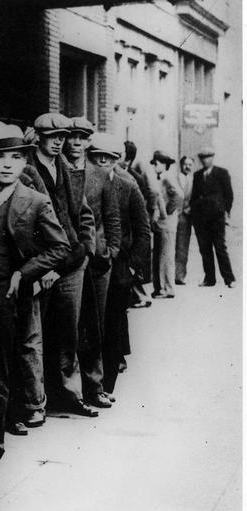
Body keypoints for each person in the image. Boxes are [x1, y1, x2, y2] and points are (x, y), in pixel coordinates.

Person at [0, 120, 69, 467]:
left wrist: (24, 271)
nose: (7, 164)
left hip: (5, 294)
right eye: (1, 156)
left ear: (24, 163)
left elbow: (59, 247)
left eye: (16, 158)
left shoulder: (33, 200)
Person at [23, 113, 99, 418]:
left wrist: (86, 250)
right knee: (35, 337)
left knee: (68, 332)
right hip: (43, 265)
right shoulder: (27, 170)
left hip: (71, 263)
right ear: (38, 137)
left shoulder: (66, 169)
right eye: (53, 137)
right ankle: (37, 402)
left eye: (62, 137)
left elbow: (83, 213)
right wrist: (44, 267)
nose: (59, 142)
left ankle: (70, 394)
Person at [88, 134, 150, 397]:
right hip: (94, 263)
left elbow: (143, 231)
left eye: (109, 157)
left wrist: (133, 269)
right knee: (92, 325)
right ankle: (90, 381)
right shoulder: (84, 182)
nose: (103, 161)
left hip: (120, 266)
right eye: (97, 156)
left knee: (113, 325)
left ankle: (107, 383)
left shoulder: (128, 185)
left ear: (117, 160)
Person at [66, 118, 120, 410]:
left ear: (88, 142)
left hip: (97, 262)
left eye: (81, 138)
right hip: (68, 259)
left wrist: (110, 250)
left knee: (94, 326)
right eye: (71, 137)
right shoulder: (59, 170)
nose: (75, 143)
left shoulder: (100, 175)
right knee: (68, 327)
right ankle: (66, 390)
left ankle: (94, 386)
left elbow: (112, 217)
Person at [190, 146, 235, 288]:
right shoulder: (197, 175)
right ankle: (209, 279)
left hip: (217, 218)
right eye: (203, 158)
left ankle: (229, 279)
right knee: (205, 248)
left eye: (208, 157)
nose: (205, 160)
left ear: (212, 158)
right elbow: (194, 197)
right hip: (202, 220)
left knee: (220, 247)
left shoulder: (221, 173)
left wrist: (225, 211)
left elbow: (229, 195)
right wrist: (195, 214)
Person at [121, 140, 154, 308]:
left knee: (133, 267)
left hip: (132, 229)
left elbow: (144, 203)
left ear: (128, 160)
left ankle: (141, 297)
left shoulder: (135, 178)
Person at [148, 150, 184, 298]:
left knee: (165, 255)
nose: (155, 166)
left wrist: (167, 212)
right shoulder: (161, 178)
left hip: (166, 223)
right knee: (159, 255)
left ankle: (166, 289)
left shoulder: (167, 178)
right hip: (161, 223)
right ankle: (160, 287)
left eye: (157, 163)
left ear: (164, 164)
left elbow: (179, 195)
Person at [174, 156, 195, 285]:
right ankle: (169, 275)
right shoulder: (175, 178)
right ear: (181, 165)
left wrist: (190, 209)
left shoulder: (194, 180)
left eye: (190, 164)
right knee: (171, 245)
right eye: (185, 164)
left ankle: (179, 276)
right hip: (175, 214)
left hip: (187, 217)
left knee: (183, 246)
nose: (187, 167)